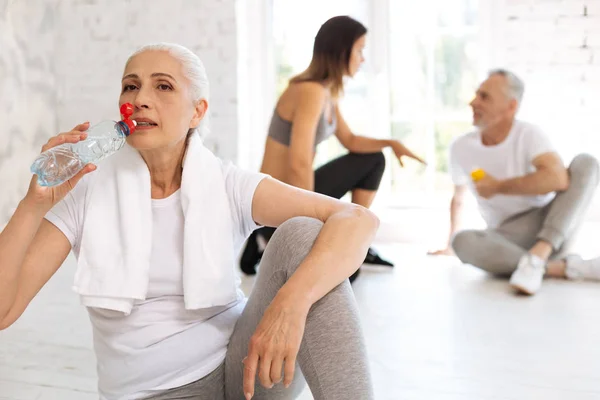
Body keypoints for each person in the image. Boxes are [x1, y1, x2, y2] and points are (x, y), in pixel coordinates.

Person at [0, 43, 378, 400]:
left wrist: (290, 304)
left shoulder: (226, 183)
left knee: (303, 234)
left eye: (162, 86)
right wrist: (34, 204)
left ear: (197, 111)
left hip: (241, 370)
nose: (139, 99)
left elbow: (357, 219)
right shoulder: (86, 192)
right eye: (130, 86)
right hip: (148, 392)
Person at [240, 16, 424, 280]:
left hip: (292, 188)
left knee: (373, 158)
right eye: (359, 50)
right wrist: (310, 227)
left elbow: (350, 140)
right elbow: (299, 163)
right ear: (341, 51)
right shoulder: (310, 91)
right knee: (347, 274)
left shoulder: (327, 92)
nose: (362, 59)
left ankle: (358, 239)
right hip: (275, 198)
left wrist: (392, 143)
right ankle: (267, 234)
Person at [429, 69, 599, 295]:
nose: (473, 102)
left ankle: (540, 253)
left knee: (586, 163)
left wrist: (498, 186)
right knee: (462, 241)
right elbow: (458, 197)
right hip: (506, 238)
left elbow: (558, 179)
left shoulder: (529, 135)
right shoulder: (461, 147)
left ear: (511, 106)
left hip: (553, 225)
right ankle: (559, 268)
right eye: (476, 95)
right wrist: (449, 241)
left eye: (484, 97)